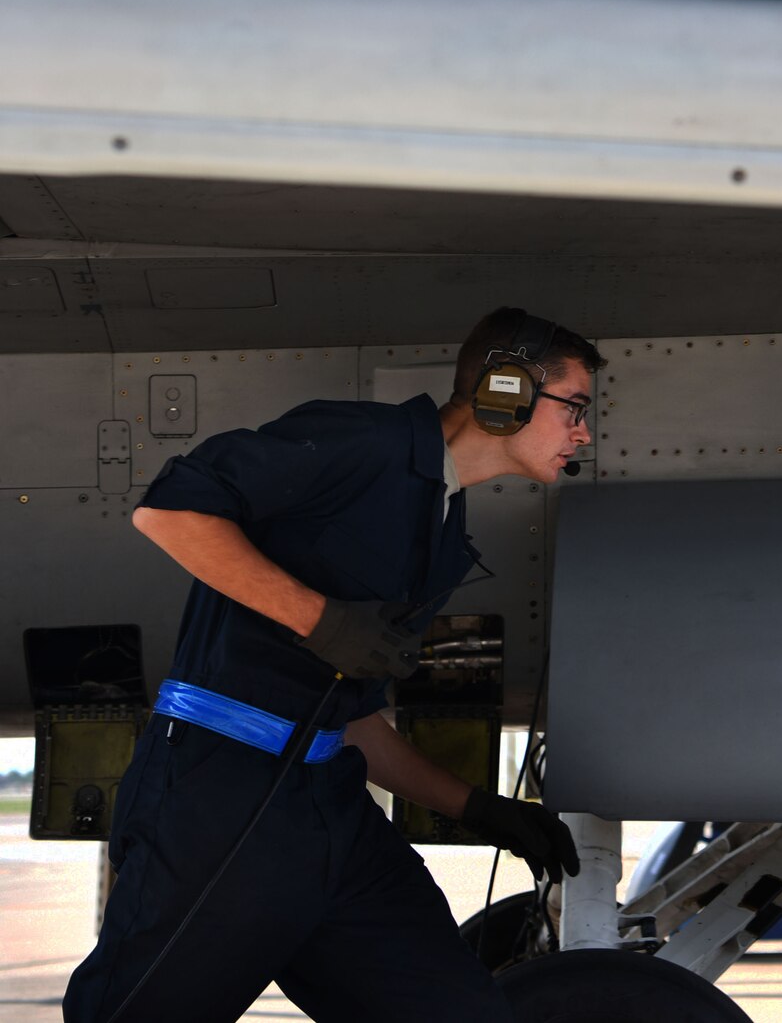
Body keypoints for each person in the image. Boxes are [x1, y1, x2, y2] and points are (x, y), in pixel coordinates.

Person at [65, 308, 606, 1023]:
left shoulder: (442, 521)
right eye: (575, 407)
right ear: (505, 390)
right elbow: (170, 512)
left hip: (330, 812)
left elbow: (347, 717)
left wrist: (477, 807)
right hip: (219, 801)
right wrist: (320, 618)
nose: (585, 434)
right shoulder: (365, 442)